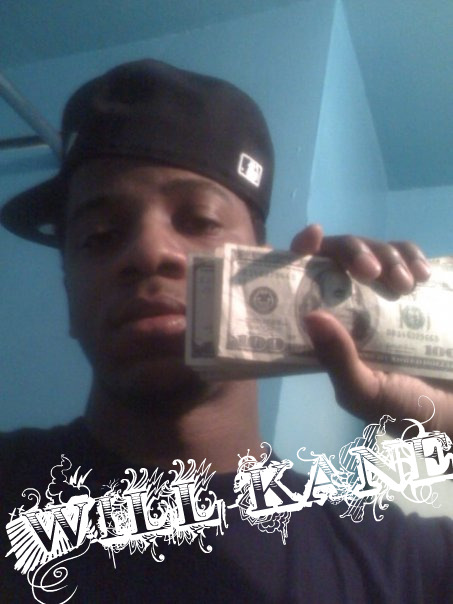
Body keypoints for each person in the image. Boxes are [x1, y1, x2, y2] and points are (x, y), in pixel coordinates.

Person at [1, 59, 452, 603]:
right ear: (70, 292)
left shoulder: (397, 562)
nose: (148, 251)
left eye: (199, 220)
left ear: (265, 265)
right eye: (98, 235)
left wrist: (444, 419)